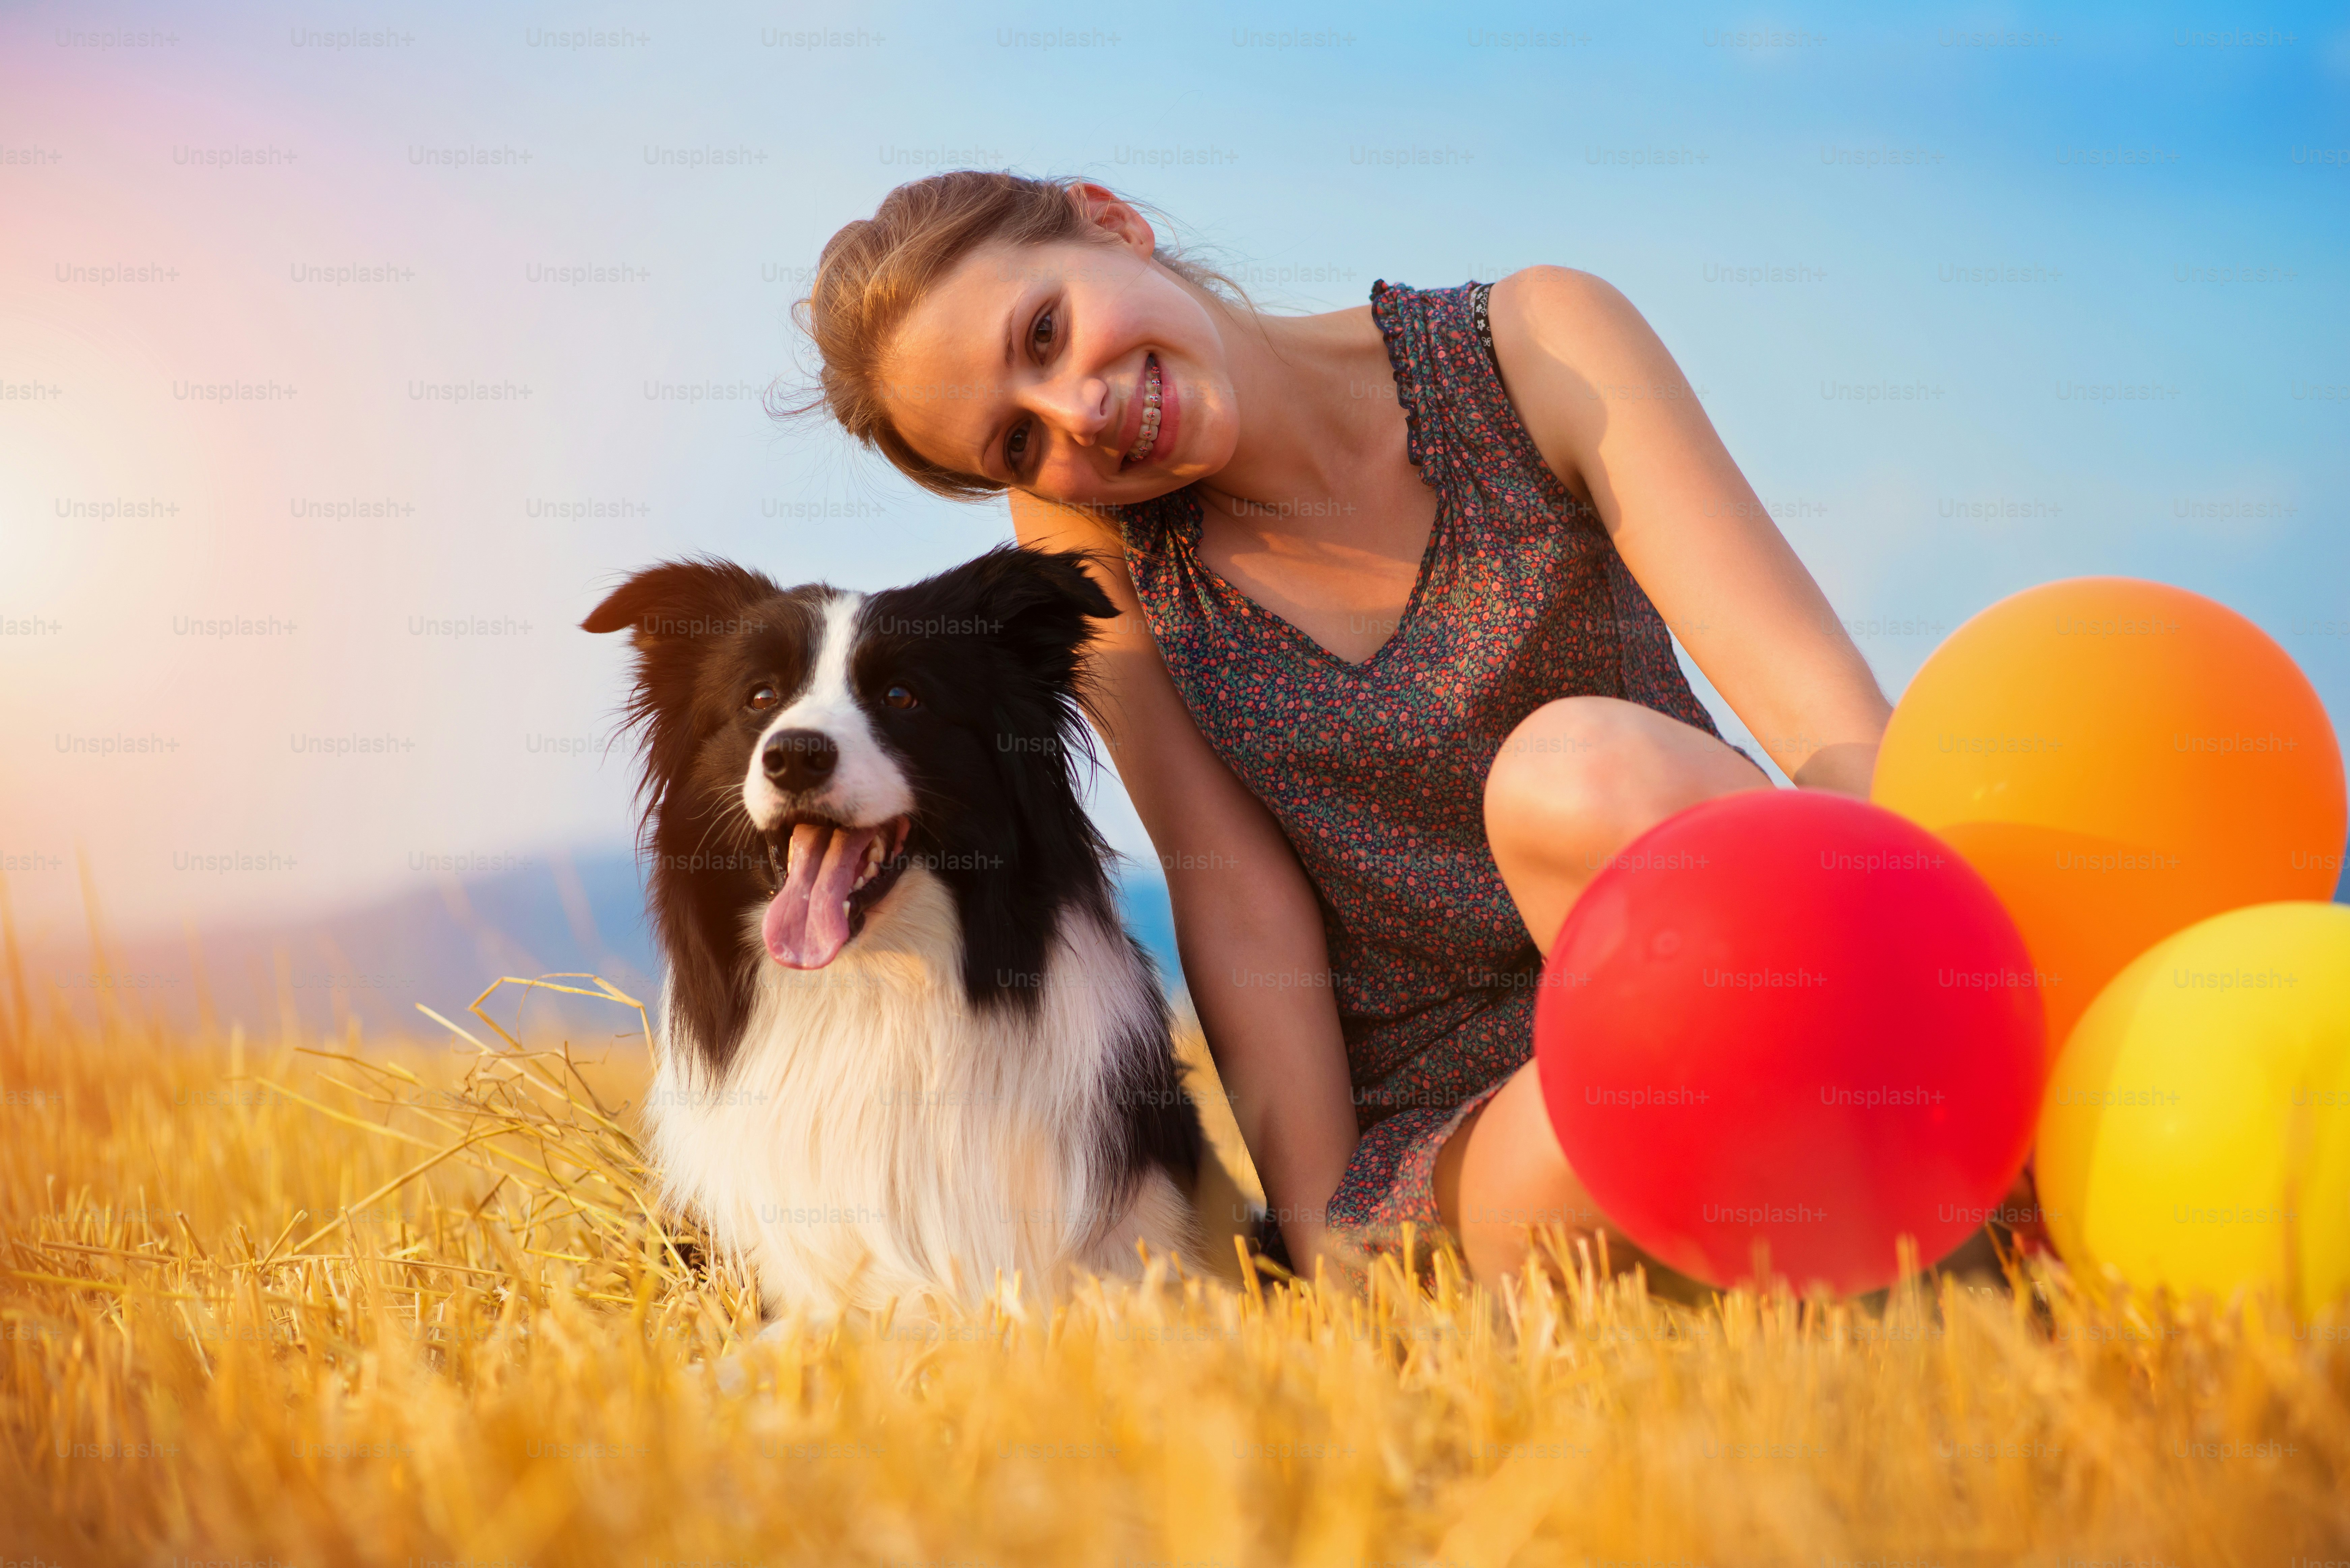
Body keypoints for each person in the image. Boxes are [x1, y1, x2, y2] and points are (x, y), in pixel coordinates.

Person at [788, 171, 1893, 1286]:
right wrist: (1329, 1250)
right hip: (1471, 1113)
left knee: (1574, 771)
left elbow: (1814, 706)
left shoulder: (1532, 343)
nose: (1076, 414)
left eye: (1046, 330)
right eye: (1016, 444)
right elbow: (1233, 893)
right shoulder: (1098, 543)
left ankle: (1908, 1137)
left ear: (1112, 220)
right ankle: (1847, 1212)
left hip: (1703, 929)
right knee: (1593, 1150)